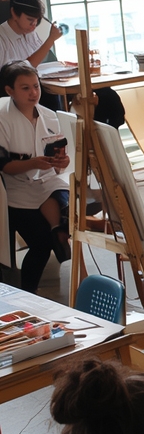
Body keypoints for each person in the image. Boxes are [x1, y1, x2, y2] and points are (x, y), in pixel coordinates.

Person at [0, 60, 71, 293]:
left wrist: (62, 161)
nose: (33, 93)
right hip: (14, 187)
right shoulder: (2, 117)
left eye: (36, 86)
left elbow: (60, 160)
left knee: (62, 196)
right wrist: (32, 163)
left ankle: (58, 232)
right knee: (41, 245)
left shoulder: (49, 116)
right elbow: (4, 166)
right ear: (9, 90)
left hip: (46, 180)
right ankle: (30, 291)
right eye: (25, 88)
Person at [0, 0, 61, 68]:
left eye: (37, 20)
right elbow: (26, 69)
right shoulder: (2, 39)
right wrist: (51, 39)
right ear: (14, 13)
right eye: (30, 20)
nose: (34, 25)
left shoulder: (31, 33)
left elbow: (44, 59)